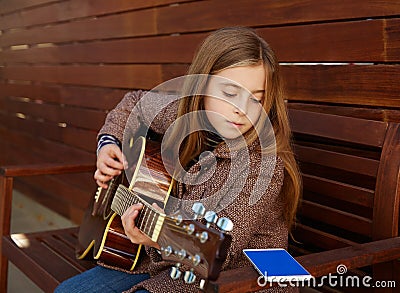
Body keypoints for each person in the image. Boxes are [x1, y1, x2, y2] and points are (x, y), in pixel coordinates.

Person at [55, 26, 301, 293]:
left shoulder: (261, 166)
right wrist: (108, 145)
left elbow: (219, 253)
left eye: (255, 99)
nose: (241, 109)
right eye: (230, 93)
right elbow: (133, 104)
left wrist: (159, 240)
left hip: (229, 280)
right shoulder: (180, 115)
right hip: (158, 261)